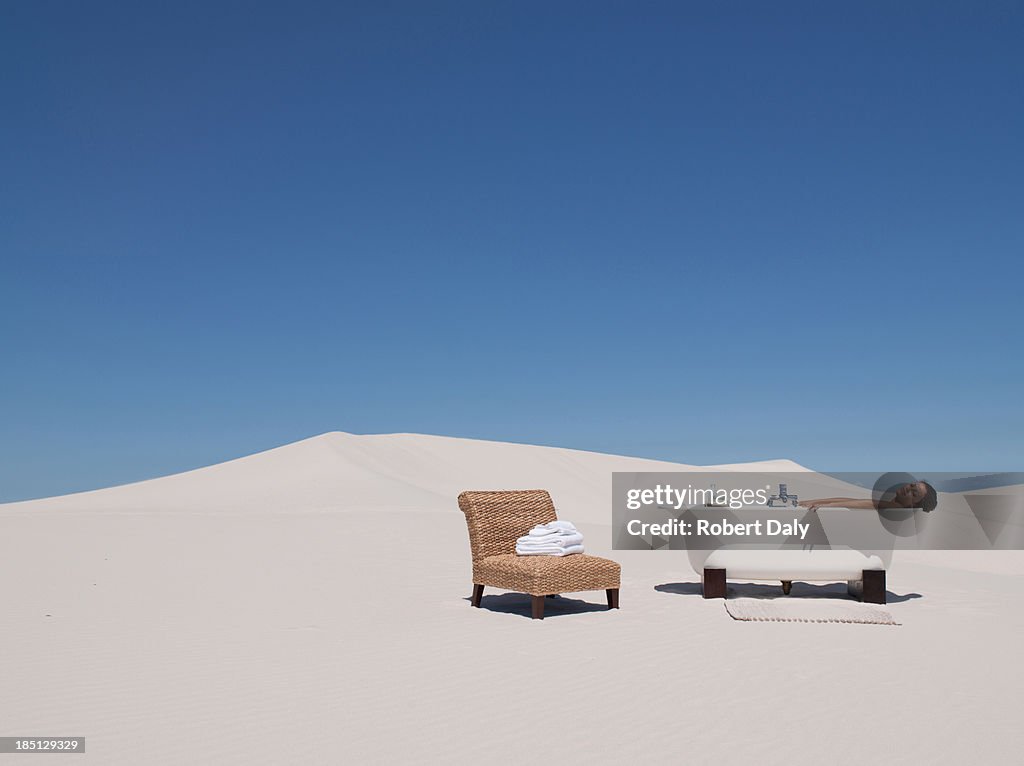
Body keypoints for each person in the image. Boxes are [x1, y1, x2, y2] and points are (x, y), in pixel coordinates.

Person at [803, 480, 938, 512]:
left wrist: (823, 506)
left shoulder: (891, 506)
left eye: (913, 493)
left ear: (914, 504)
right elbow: (852, 501)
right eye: (912, 485)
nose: (908, 489)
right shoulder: (892, 505)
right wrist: (815, 501)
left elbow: (863, 504)